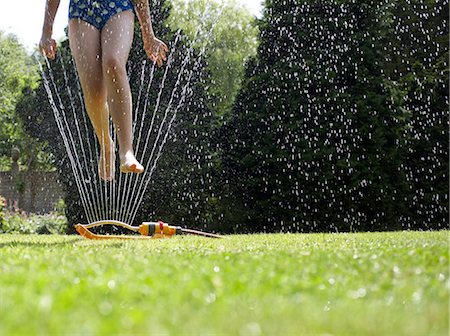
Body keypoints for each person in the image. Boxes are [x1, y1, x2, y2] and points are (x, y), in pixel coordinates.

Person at [40, 0, 168, 181]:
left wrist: (149, 36)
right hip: (82, 11)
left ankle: (127, 151)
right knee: (95, 94)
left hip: (119, 6)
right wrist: (46, 33)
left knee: (113, 62)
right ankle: (106, 144)